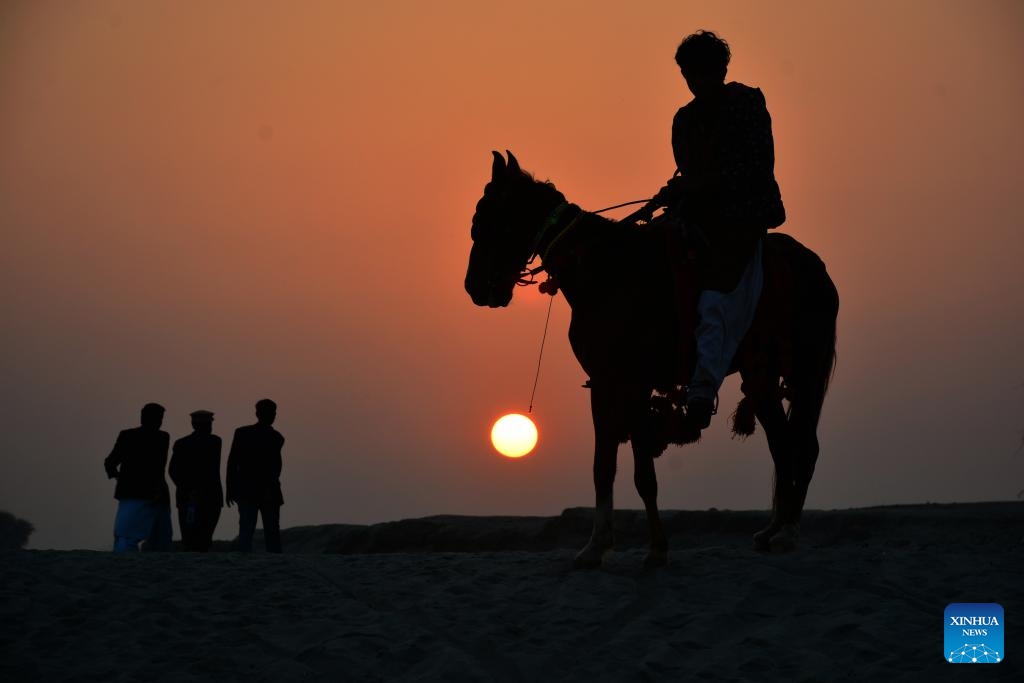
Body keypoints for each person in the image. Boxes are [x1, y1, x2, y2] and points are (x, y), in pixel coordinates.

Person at [631, 30, 786, 431]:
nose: (694, 80)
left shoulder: (748, 106)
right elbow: (688, 171)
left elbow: (753, 168)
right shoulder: (684, 119)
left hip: (741, 216)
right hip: (695, 215)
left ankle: (702, 392)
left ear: (720, 70)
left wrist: (695, 186)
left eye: (701, 71)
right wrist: (675, 192)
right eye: (687, 73)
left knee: (715, 295)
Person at [104, 402, 173, 552]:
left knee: (126, 535)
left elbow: (110, 462)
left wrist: (119, 477)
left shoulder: (127, 436)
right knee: (160, 537)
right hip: (154, 493)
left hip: (131, 492)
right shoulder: (161, 437)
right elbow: (158, 467)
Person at [226, 399, 285, 552]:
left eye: (273, 412)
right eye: (269, 412)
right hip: (254, 490)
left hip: (260, 491)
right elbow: (232, 462)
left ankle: (270, 558)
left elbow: (276, 467)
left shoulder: (275, 437)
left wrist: (230, 487)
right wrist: (230, 487)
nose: (272, 416)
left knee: (261, 528)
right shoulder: (271, 437)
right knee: (252, 528)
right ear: (258, 414)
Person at [168, 410, 223, 552]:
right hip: (210, 496)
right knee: (205, 535)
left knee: (189, 535)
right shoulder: (215, 441)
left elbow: (173, 471)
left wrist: (185, 487)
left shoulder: (181, 444)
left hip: (188, 496)